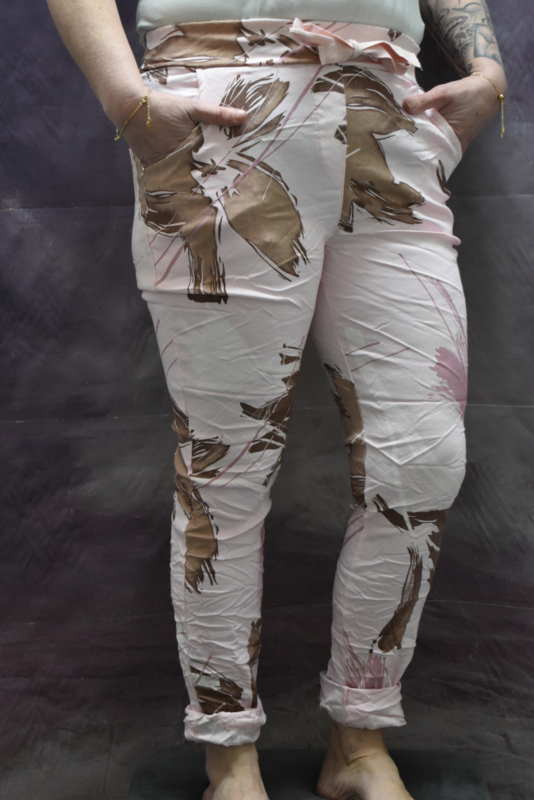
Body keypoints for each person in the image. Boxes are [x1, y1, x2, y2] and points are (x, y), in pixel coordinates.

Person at [46, 1, 507, 798]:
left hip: (390, 114)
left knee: (422, 461)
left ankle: (360, 740)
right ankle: (229, 755)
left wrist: (488, 72)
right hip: (220, 116)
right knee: (225, 462)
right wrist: (127, 99)